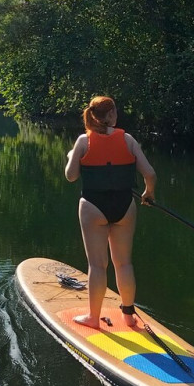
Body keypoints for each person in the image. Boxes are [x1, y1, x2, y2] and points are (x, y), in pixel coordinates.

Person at [64, 95, 156, 329]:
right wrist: (148, 193)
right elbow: (150, 174)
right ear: (112, 114)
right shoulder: (128, 140)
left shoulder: (84, 141)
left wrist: (71, 157)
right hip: (124, 206)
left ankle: (93, 318)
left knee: (97, 265)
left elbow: (71, 176)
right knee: (124, 263)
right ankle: (128, 315)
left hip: (93, 207)